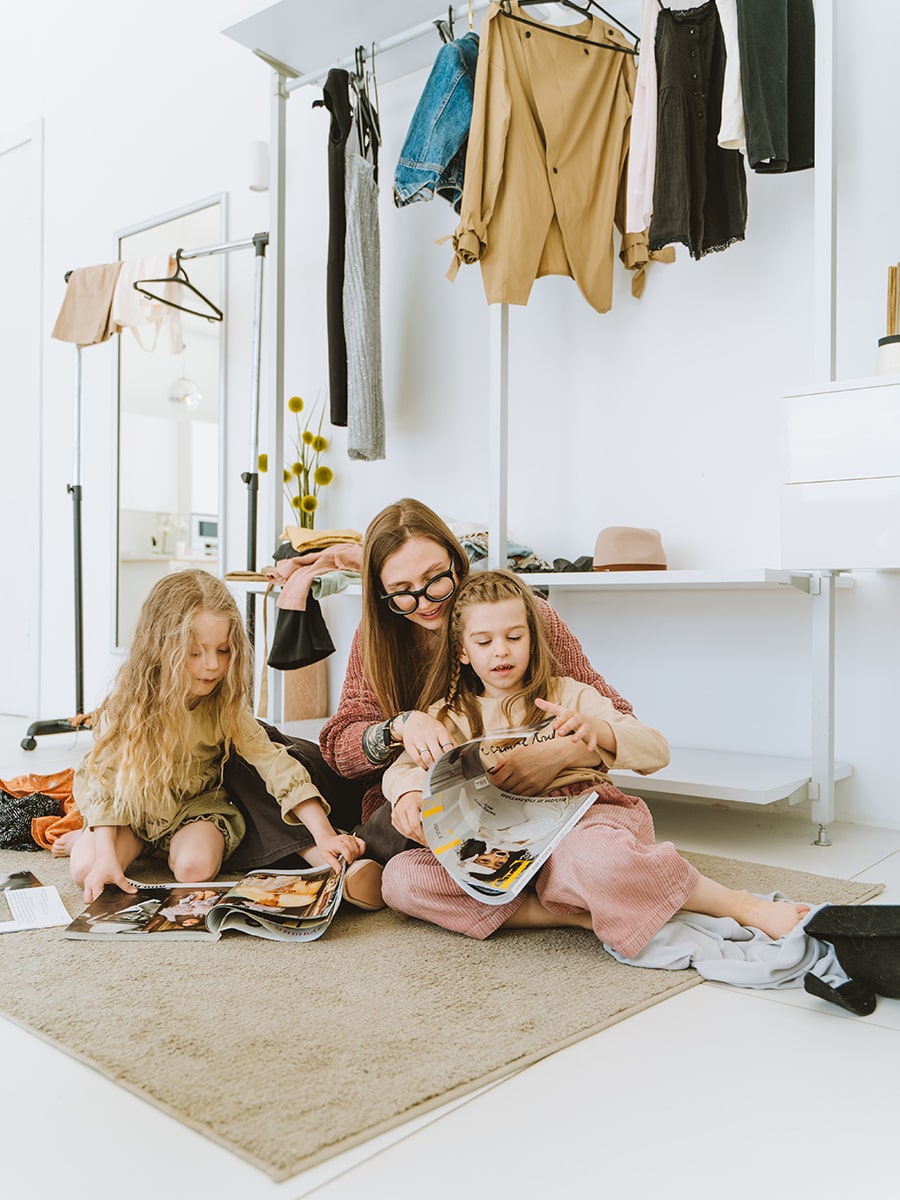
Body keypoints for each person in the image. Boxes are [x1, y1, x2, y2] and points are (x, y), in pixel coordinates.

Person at [378, 570, 811, 959]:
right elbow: (405, 768)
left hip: (579, 822)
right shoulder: (449, 714)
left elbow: (655, 749)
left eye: (514, 637)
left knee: (597, 859)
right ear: (463, 652)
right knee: (400, 879)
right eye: (484, 641)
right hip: (498, 844)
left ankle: (741, 905)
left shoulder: (568, 694)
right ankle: (570, 914)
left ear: (534, 637)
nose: (501, 652)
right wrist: (409, 793)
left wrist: (595, 731)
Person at [318, 497, 638, 864]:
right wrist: (401, 727)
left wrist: (557, 754)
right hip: (418, 796)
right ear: (381, 592)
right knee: (289, 756)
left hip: (522, 796)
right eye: (402, 592)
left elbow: (618, 715)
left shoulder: (520, 614)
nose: (423, 602)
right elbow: (340, 749)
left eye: (435, 579)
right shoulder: (376, 638)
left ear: (457, 560)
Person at [68, 570, 377, 905]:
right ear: (160, 649)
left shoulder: (224, 706)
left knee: (194, 868)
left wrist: (324, 833)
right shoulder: (129, 705)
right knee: (87, 869)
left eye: (223, 649)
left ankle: (148, 848)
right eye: (195, 653)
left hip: (194, 809)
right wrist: (107, 855)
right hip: (133, 811)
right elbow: (105, 782)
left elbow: (275, 764)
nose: (213, 665)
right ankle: (99, 839)